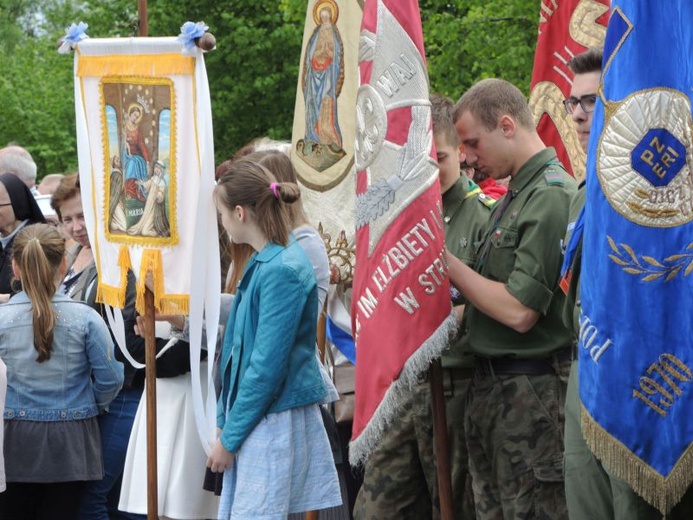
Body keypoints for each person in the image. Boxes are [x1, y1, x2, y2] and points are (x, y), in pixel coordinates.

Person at [560, 47, 693, 520]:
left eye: (592, 102)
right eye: (571, 102)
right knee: (585, 502)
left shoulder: (668, 203)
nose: (577, 114)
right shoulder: (582, 198)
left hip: (646, 375)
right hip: (587, 371)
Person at [354, 94, 493, 520]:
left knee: (451, 504)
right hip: (402, 385)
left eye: (442, 158)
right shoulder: (397, 218)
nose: (430, 171)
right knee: (376, 509)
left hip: (455, 386)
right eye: (422, 159)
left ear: (462, 153)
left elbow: (483, 301)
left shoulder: (484, 216)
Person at [446, 78, 576, 519]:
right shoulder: (515, 192)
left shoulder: (551, 194)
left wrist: (444, 262)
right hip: (495, 391)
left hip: (530, 393)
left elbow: (520, 312)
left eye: (472, 143)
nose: (467, 157)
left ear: (506, 125)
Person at [208, 158, 342, 518]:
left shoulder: (283, 267)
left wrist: (229, 438)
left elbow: (265, 368)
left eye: (221, 215)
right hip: (255, 416)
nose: (221, 225)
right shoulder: (262, 260)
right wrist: (224, 419)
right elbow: (236, 350)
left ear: (239, 213)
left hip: (273, 417)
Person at [0, 223, 124, 518]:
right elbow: (112, 378)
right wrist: (89, 405)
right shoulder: (85, 318)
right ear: (64, 263)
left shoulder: (3, 319)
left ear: (15, 268)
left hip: (13, 439)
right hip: (72, 439)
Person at [0, 173, 46, 300]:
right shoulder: (4, 240)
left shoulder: (35, 239)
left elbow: (39, 294)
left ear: (17, 203)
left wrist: (5, 299)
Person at [127, 160, 170, 237]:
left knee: (144, 232)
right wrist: (142, 183)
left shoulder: (162, 182)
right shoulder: (153, 178)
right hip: (148, 206)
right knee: (141, 227)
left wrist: (158, 195)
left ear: (161, 171)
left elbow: (161, 195)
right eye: (156, 167)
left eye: (159, 168)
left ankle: (157, 233)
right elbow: (147, 185)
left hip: (155, 209)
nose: (157, 170)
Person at [122, 103, 150, 203]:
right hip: (125, 154)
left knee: (140, 161)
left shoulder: (137, 129)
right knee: (133, 162)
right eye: (134, 115)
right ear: (130, 114)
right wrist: (125, 145)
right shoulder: (123, 126)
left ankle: (138, 191)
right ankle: (129, 191)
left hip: (134, 154)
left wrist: (147, 162)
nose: (135, 118)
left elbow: (142, 144)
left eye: (137, 116)